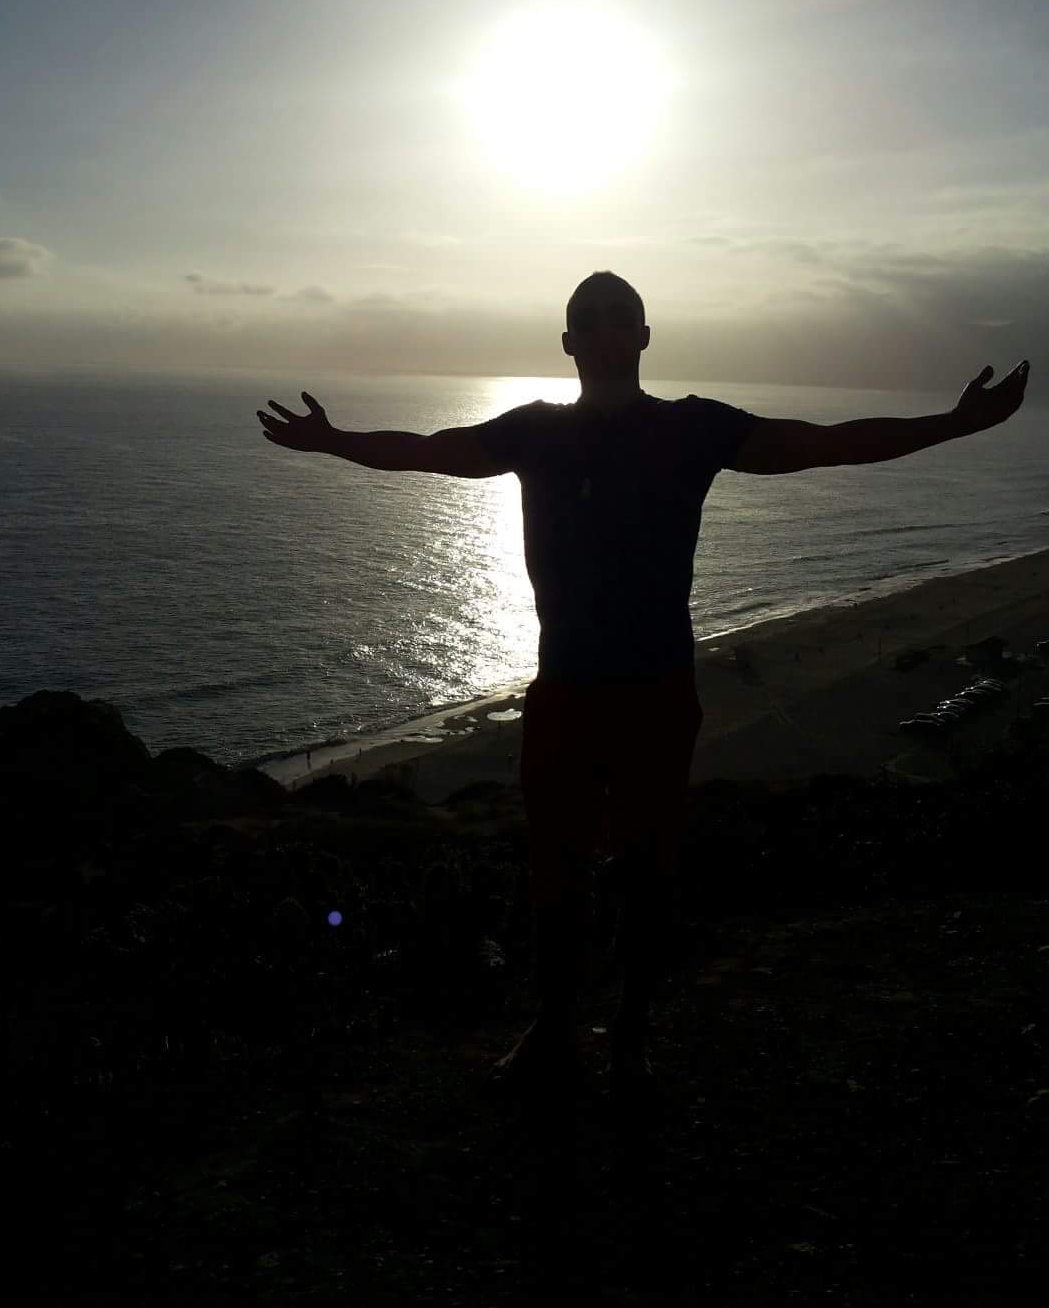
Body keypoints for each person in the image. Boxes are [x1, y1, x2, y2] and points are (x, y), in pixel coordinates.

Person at [255, 270, 1031, 1110]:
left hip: (657, 691)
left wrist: (955, 424)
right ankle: (554, 1030)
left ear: (644, 335)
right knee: (554, 870)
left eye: (619, 317)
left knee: (648, 872)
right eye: (589, 320)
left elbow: (825, 442)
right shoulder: (534, 431)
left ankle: (630, 1039)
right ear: (568, 342)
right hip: (564, 690)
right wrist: (333, 441)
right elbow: (429, 450)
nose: (604, 330)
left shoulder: (692, 427)